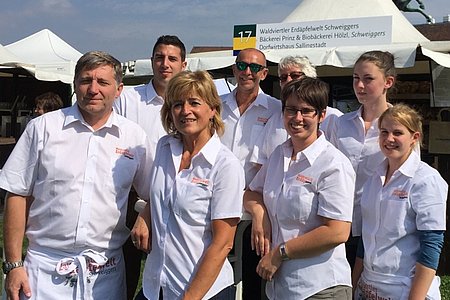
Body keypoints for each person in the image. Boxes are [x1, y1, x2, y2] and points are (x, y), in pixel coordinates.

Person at [0, 51, 152, 300]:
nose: (93, 89)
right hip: (43, 271)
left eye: (103, 82)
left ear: (119, 89)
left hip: (105, 273)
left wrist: (146, 211)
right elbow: (17, 193)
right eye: (85, 81)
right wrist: (14, 265)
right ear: (75, 85)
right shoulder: (43, 128)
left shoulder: (134, 137)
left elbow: (154, 191)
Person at [135, 70, 245, 299]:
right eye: (177, 104)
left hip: (201, 291)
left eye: (194, 102)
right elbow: (163, 194)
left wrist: (190, 297)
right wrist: (146, 213)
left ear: (212, 108)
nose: (185, 111)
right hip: (157, 286)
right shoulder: (164, 148)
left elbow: (223, 243)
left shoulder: (225, 166)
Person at [244, 77, 355, 299]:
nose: (297, 118)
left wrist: (280, 253)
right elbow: (251, 192)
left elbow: (337, 231)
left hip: (319, 287)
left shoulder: (333, 164)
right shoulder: (279, 155)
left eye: (306, 111)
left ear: (321, 115)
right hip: (280, 287)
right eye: (291, 110)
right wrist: (259, 213)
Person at [114, 35, 187, 299]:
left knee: (169, 280)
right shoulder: (128, 100)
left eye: (172, 59)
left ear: (183, 64)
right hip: (132, 203)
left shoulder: (189, 106)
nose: (164, 64)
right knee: (126, 277)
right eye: (159, 57)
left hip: (176, 206)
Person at [352, 104, 447, 299]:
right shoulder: (373, 179)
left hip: (406, 287)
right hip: (369, 286)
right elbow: (366, 238)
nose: (389, 139)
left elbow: (432, 245)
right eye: (384, 132)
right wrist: (352, 287)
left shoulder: (425, 179)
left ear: (415, 137)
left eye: (398, 133)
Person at [329, 50, 396, 268]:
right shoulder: (341, 124)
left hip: (379, 229)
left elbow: (408, 179)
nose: (359, 86)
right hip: (339, 224)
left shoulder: (400, 128)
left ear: (388, 82)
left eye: (368, 79)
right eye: (356, 78)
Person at [250, 55, 343, 167]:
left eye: (295, 75)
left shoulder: (333, 118)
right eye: (283, 78)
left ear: (310, 78)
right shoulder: (275, 119)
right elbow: (260, 161)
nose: (288, 81)